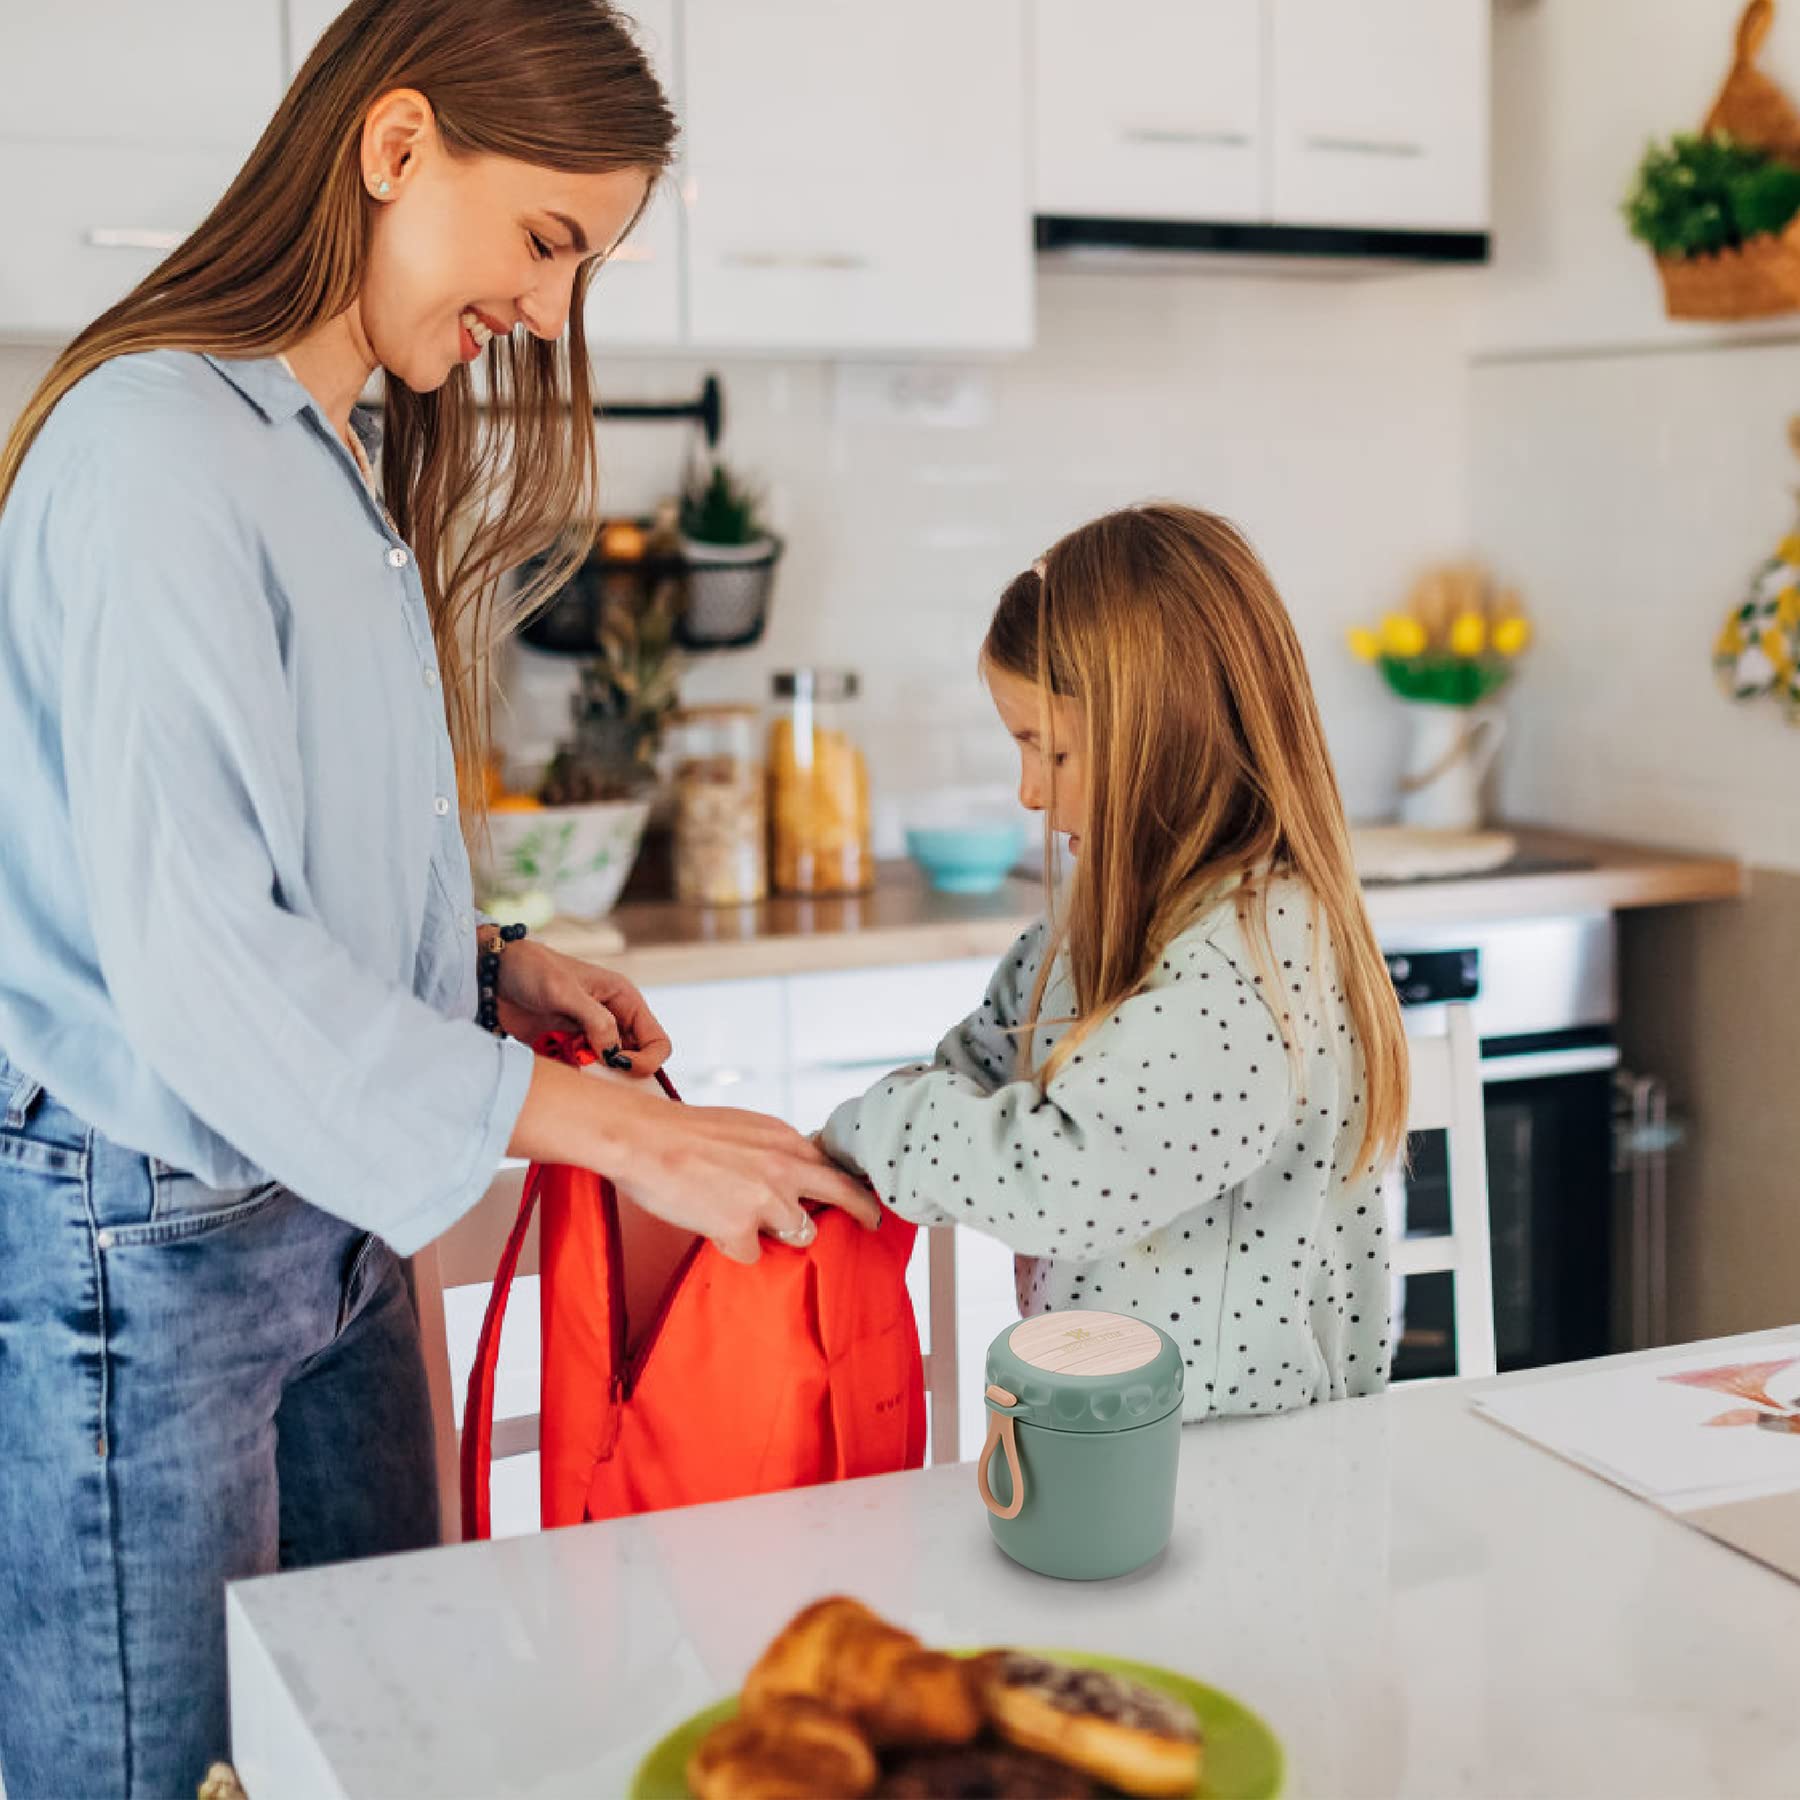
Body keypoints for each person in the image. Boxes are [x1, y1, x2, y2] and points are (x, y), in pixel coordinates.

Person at [0, 4, 876, 1794]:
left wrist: (479, 969)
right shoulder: (158, 446)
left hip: (320, 1224)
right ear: (396, 146)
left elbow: (264, 857)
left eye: (588, 265)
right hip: (144, 1246)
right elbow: (197, 960)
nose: (553, 312)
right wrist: (613, 1139)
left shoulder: (331, 455)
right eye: (550, 242)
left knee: (383, 1745)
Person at [822, 504, 1409, 1418]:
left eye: (1049, 750)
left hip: (1246, 1476)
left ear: (1165, 740)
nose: (1027, 791)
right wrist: (888, 1127)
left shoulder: (1244, 958)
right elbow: (984, 1060)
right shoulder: (1106, 918)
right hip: (1130, 1448)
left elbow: (1064, 1180)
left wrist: (873, 1129)